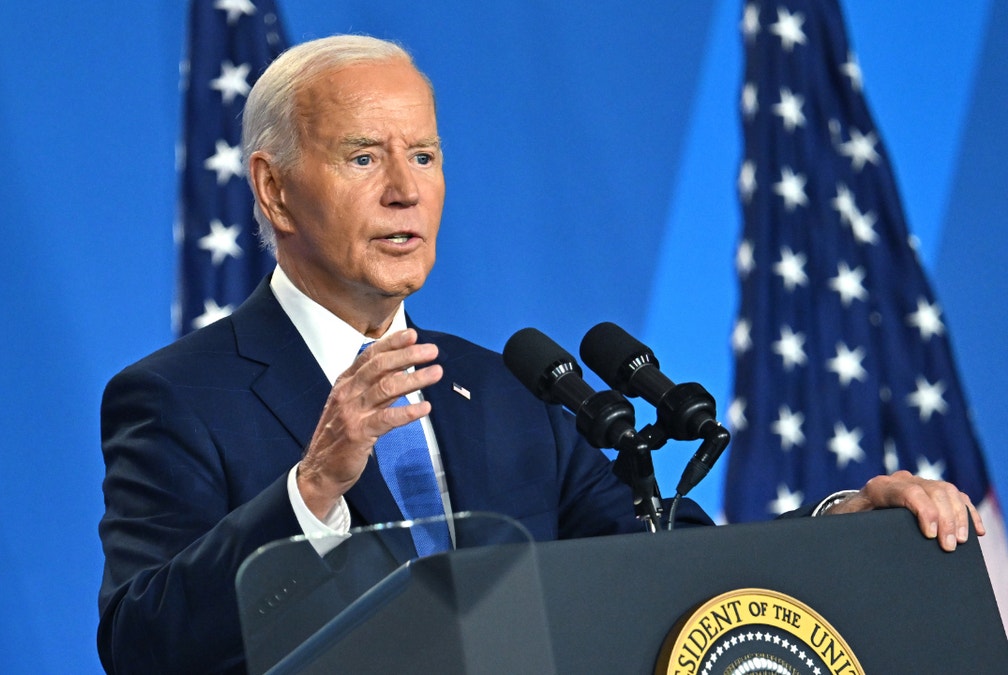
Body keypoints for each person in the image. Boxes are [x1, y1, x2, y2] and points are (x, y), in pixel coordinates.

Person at [97, 35, 984, 674]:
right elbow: (141, 644)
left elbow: (662, 566)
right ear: (274, 190)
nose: (407, 189)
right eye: (364, 157)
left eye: (425, 154)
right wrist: (314, 487)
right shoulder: (175, 397)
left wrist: (845, 526)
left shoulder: (504, 386)